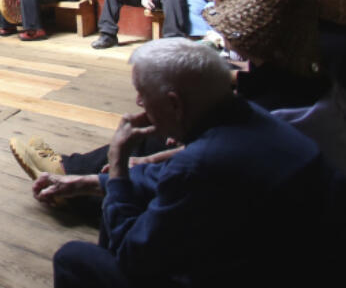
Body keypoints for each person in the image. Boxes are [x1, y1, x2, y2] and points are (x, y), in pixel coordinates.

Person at [40, 40, 344, 288]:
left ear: (175, 104)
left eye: (142, 94)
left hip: (262, 271)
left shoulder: (202, 164)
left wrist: (117, 164)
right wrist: (88, 183)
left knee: (74, 258)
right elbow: (174, 174)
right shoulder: (252, 118)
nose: (138, 103)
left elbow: (131, 256)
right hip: (293, 258)